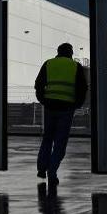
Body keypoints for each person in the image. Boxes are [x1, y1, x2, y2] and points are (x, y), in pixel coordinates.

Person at [35, 43, 88, 186]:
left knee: (47, 139)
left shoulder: (49, 63)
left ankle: (41, 169)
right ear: (71, 53)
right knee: (60, 142)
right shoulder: (75, 66)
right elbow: (82, 88)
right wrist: (76, 104)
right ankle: (52, 172)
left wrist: (43, 100)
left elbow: (38, 84)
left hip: (50, 107)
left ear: (58, 52)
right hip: (66, 108)